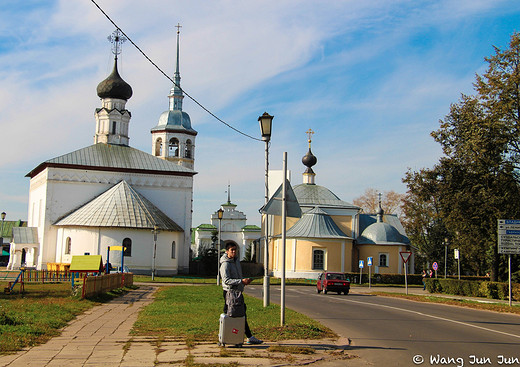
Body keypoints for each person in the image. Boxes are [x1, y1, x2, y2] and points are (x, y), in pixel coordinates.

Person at [219, 242, 263, 345]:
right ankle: (228, 336)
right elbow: (226, 280)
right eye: (231, 250)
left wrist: (244, 282)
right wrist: (241, 281)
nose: (234, 252)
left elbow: (238, 275)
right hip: (229, 293)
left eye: (235, 250)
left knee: (241, 313)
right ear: (227, 251)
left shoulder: (236, 261)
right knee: (231, 314)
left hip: (237, 292)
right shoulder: (225, 264)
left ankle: (243, 336)